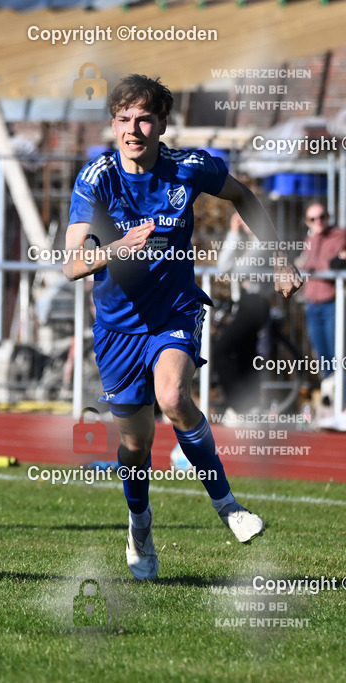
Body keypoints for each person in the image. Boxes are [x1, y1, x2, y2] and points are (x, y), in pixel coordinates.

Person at [63, 75, 301, 581]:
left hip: (175, 312)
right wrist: (115, 250)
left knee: (172, 396)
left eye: (144, 118)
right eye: (124, 119)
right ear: (113, 124)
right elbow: (71, 264)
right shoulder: (96, 178)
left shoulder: (190, 167)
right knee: (135, 445)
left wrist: (281, 257)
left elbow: (245, 197)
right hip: (116, 327)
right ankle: (140, 524)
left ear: (162, 123)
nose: (134, 129)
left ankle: (229, 506)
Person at [213, 212, 271, 419]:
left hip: (255, 304)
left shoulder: (263, 243)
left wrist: (236, 236)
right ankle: (250, 406)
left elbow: (232, 267)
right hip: (247, 304)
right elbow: (224, 266)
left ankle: (239, 406)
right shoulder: (250, 242)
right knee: (246, 354)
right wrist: (235, 234)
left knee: (222, 351)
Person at [296, 202, 345, 379]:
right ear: (307, 221)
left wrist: (310, 265)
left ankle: (343, 402)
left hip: (332, 304)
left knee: (339, 355)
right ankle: (331, 402)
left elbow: (334, 265)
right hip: (312, 305)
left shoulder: (339, 236)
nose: (318, 221)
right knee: (323, 359)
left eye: (322, 216)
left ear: (328, 217)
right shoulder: (310, 240)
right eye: (313, 218)